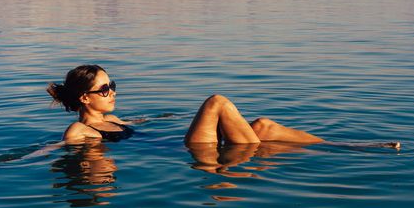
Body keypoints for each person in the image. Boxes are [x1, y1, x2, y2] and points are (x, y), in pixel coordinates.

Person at [47, 64, 325, 146]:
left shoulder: (116, 119)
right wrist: (12, 160)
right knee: (217, 102)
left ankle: (340, 146)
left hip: (176, 139)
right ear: (85, 97)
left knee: (262, 125)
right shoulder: (80, 131)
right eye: (105, 89)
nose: (113, 93)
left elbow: (140, 123)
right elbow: (55, 148)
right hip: (185, 148)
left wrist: (169, 115)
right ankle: (248, 157)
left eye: (113, 86)